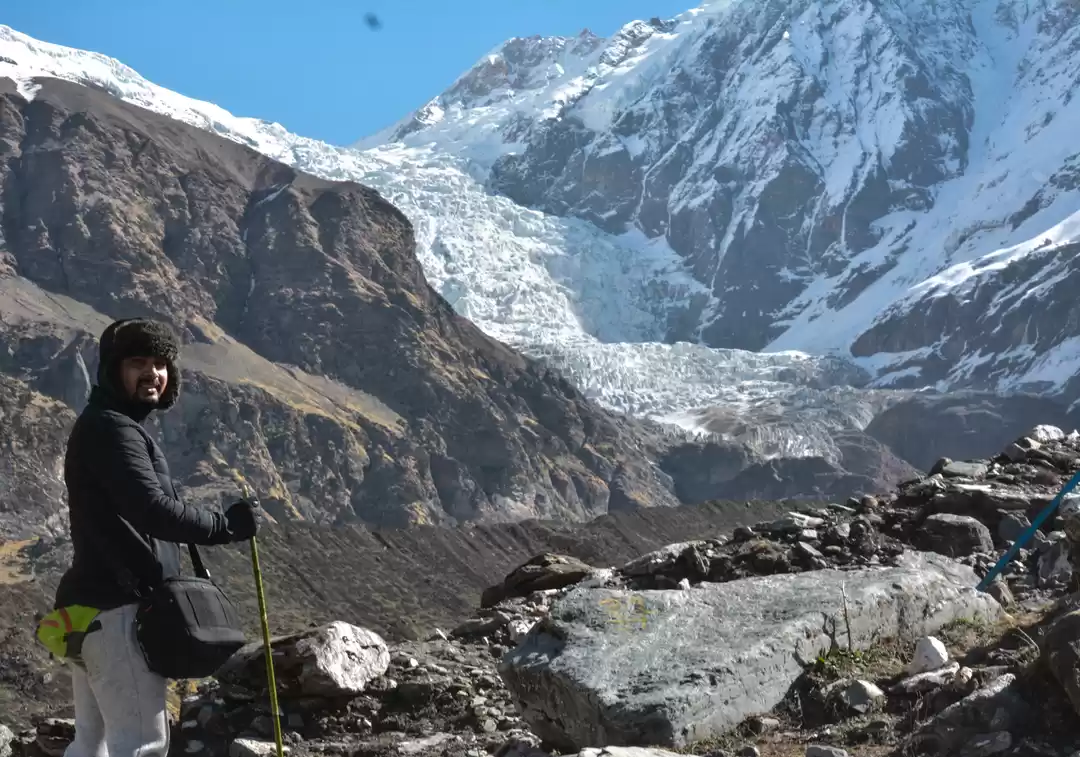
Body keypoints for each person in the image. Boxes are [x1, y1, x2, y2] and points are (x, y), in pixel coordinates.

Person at [54, 318, 260, 757]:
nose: (153, 373)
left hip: (89, 609)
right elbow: (152, 510)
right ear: (113, 369)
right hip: (119, 614)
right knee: (142, 745)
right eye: (137, 362)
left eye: (161, 363)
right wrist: (226, 527)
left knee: (94, 743)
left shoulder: (105, 424)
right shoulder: (114, 429)